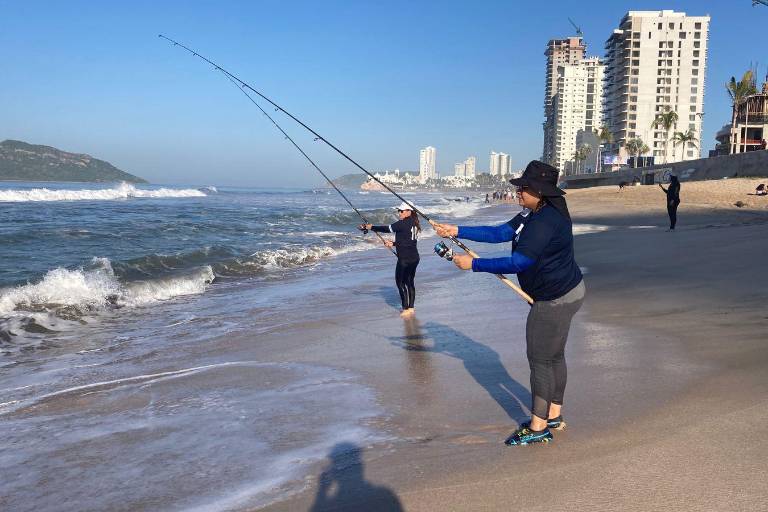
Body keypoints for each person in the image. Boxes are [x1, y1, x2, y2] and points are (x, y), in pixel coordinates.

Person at [432, 160, 585, 446]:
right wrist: (457, 230)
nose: (518, 192)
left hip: (553, 300)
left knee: (541, 359)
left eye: (523, 188)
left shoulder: (545, 221)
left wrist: (474, 265)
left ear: (539, 191)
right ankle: (553, 415)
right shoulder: (534, 212)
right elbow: (501, 233)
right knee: (553, 356)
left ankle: (538, 427)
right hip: (569, 291)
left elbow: (519, 262)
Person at [360, 202, 421, 317]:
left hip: (404, 259)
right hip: (414, 257)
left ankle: (405, 309)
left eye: (402, 211)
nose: (399, 213)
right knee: (410, 282)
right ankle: (411, 308)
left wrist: (371, 227)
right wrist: (393, 243)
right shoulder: (415, 223)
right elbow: (408, 241)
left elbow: (387, 229)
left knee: (400, 283)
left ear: (409, 211)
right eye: (399, 210)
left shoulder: (402, 223)